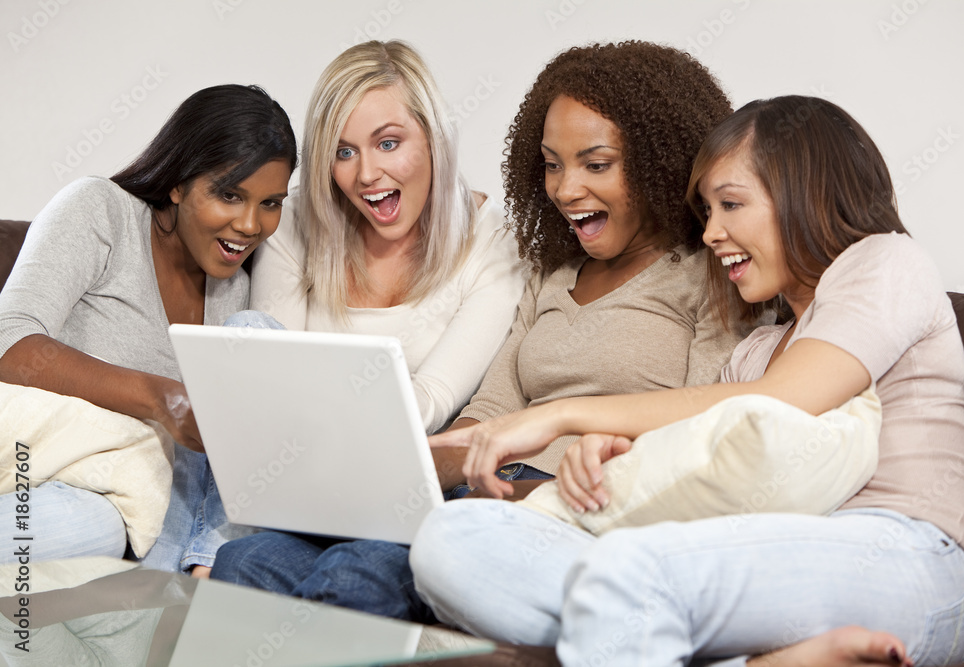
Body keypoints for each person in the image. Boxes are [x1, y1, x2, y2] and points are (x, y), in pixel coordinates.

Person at [411, 95, 964, 667]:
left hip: (909, 558)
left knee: (628, 571)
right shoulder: (752, 354)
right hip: (754, 564)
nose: (711, 232)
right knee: (453, 540)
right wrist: (610, 453)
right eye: (708, 211)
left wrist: (560, 416)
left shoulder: (886, 262)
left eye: (731, 204)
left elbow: (785, 400)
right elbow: (696, 460)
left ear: (807, 194)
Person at [212, 41, 749, 624]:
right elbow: (489, 410)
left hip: (566, 510)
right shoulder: (551, 275)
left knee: (354, 575)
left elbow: (703, 432)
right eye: (552, 164)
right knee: (247, 560)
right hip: (476, 498)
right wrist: (398, 479)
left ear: (658, 162)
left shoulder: (710, 276)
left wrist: (525, 490)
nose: (566, 189)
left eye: (596, 165)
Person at [0, 84, 297, 572]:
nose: (250, 224)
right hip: (42, 464)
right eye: (229, 194)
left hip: (130, 505)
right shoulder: (102, 211)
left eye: (270, 203)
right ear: (177, 184)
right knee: (87, 526)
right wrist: (162, 398)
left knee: (100, 526)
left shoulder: (235, 294)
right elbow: (9, 340)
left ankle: (192, 580)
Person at [245, 39, 526, 435]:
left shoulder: (494, 242)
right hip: (292, 446)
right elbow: (269, 382)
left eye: (388, 143)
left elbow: (431, 400)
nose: (366, 174)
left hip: (404, 453)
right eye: (344, 152)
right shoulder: (292, 222)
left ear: (434, 139)